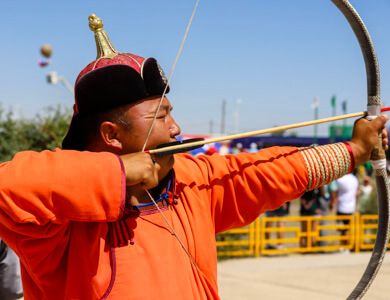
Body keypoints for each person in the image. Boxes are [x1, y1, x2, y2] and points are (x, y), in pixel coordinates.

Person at [0, 14, 388, 300]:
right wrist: (116, 173)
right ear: (111, 136)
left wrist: (353, 151)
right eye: (161, 116)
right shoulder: (60, 225)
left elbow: (265, 174)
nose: (176, 128)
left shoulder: (187, 183)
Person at [329, 173, 359, 251]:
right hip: (351, 207)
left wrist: (332, 202)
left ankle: (344, 246)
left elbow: (333, 189)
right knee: (347, 229)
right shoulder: (354, 179)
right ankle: (346, 246)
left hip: (341, 207)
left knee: (343, 230)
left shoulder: (341, 179)